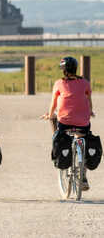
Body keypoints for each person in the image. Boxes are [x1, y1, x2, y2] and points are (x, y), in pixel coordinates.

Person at [41, 56, 95, 190]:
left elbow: (53, 103)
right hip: (83, 122)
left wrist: (49, 114)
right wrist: (90, 111)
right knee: (84, 139)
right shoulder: (85, 82)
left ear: (63, 70)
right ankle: (83, 174)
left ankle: (65, 160)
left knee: (59, 136)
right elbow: (88, 100)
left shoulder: (59, 83)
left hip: (65, 122)